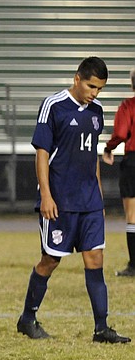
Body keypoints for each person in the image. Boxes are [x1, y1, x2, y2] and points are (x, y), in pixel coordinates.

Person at [17, 57, 130, 344]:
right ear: (77, 78)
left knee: (95, 259)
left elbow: (91, 156)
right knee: (50, 260)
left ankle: (101, 328)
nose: (95, 93)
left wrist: (99, 199)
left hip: (89, 201)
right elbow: (42, 152)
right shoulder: (53, 106)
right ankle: (27, 318)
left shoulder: (97, 111)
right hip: (60, 200)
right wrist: (46, 194)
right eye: (92, 86)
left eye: (100, 89)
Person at [103, 69, 135, 277]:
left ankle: (134, 266)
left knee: (132, 217)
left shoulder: (127, 106)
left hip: (132, 162)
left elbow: (121, 133)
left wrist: (109, 148)